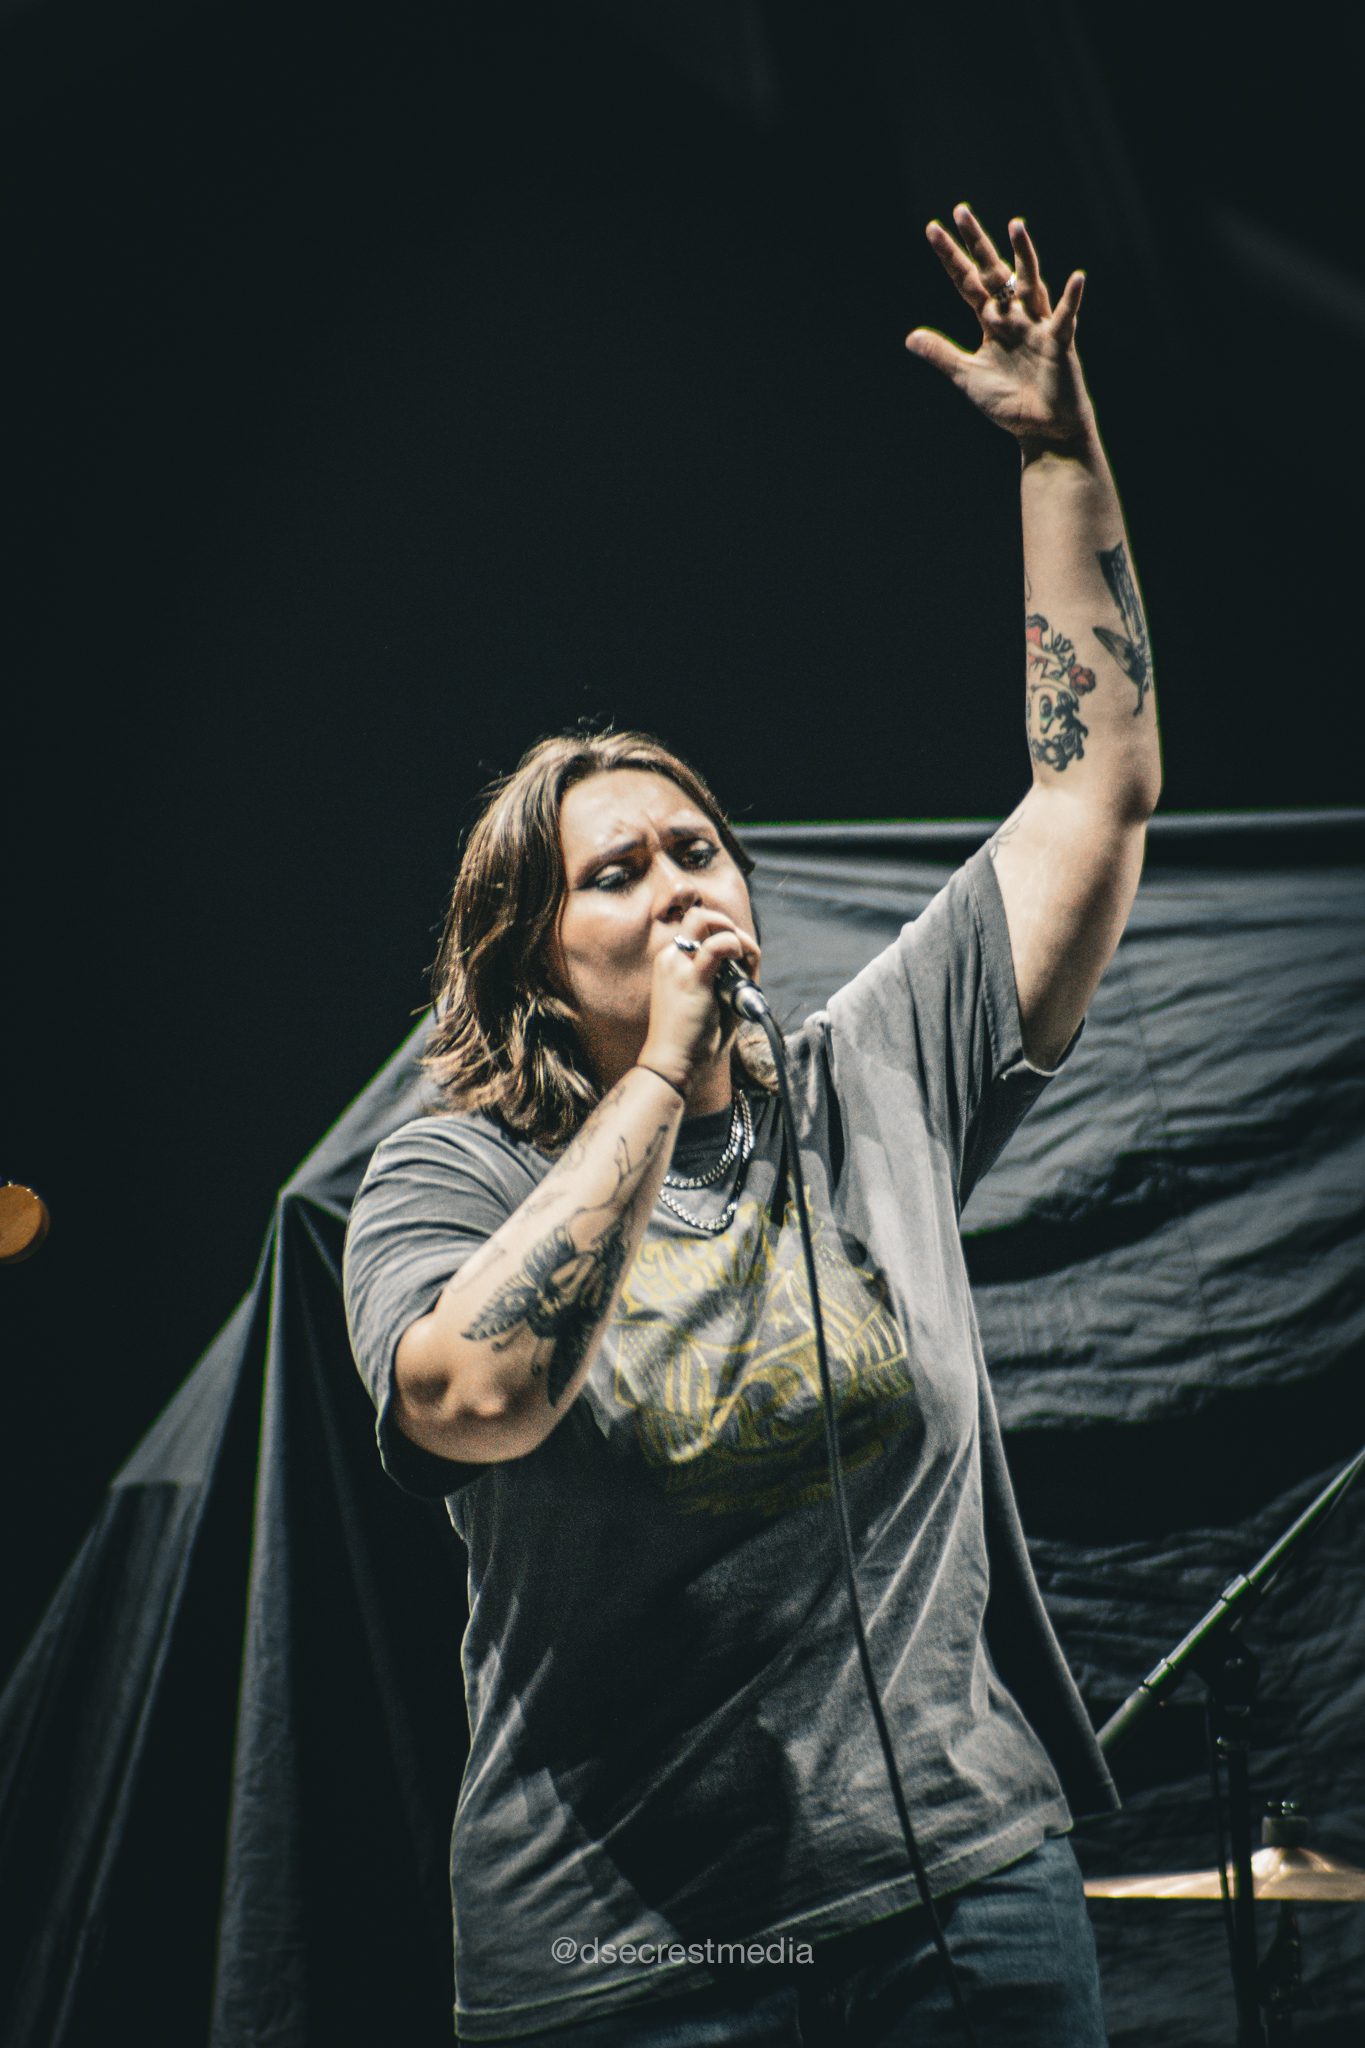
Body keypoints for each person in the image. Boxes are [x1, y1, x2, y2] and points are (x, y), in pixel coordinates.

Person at [343, 205, 1160, 2046]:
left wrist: (1054, 452)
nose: (674, 887)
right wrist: (654, 1085)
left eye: (695, 848)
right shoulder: (448, 1168)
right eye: (611, 875)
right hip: (632, 1957)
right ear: (538, 963)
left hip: (967, 1888)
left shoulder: (872, 1074)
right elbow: (470, 1398)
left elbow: (1091, 789)